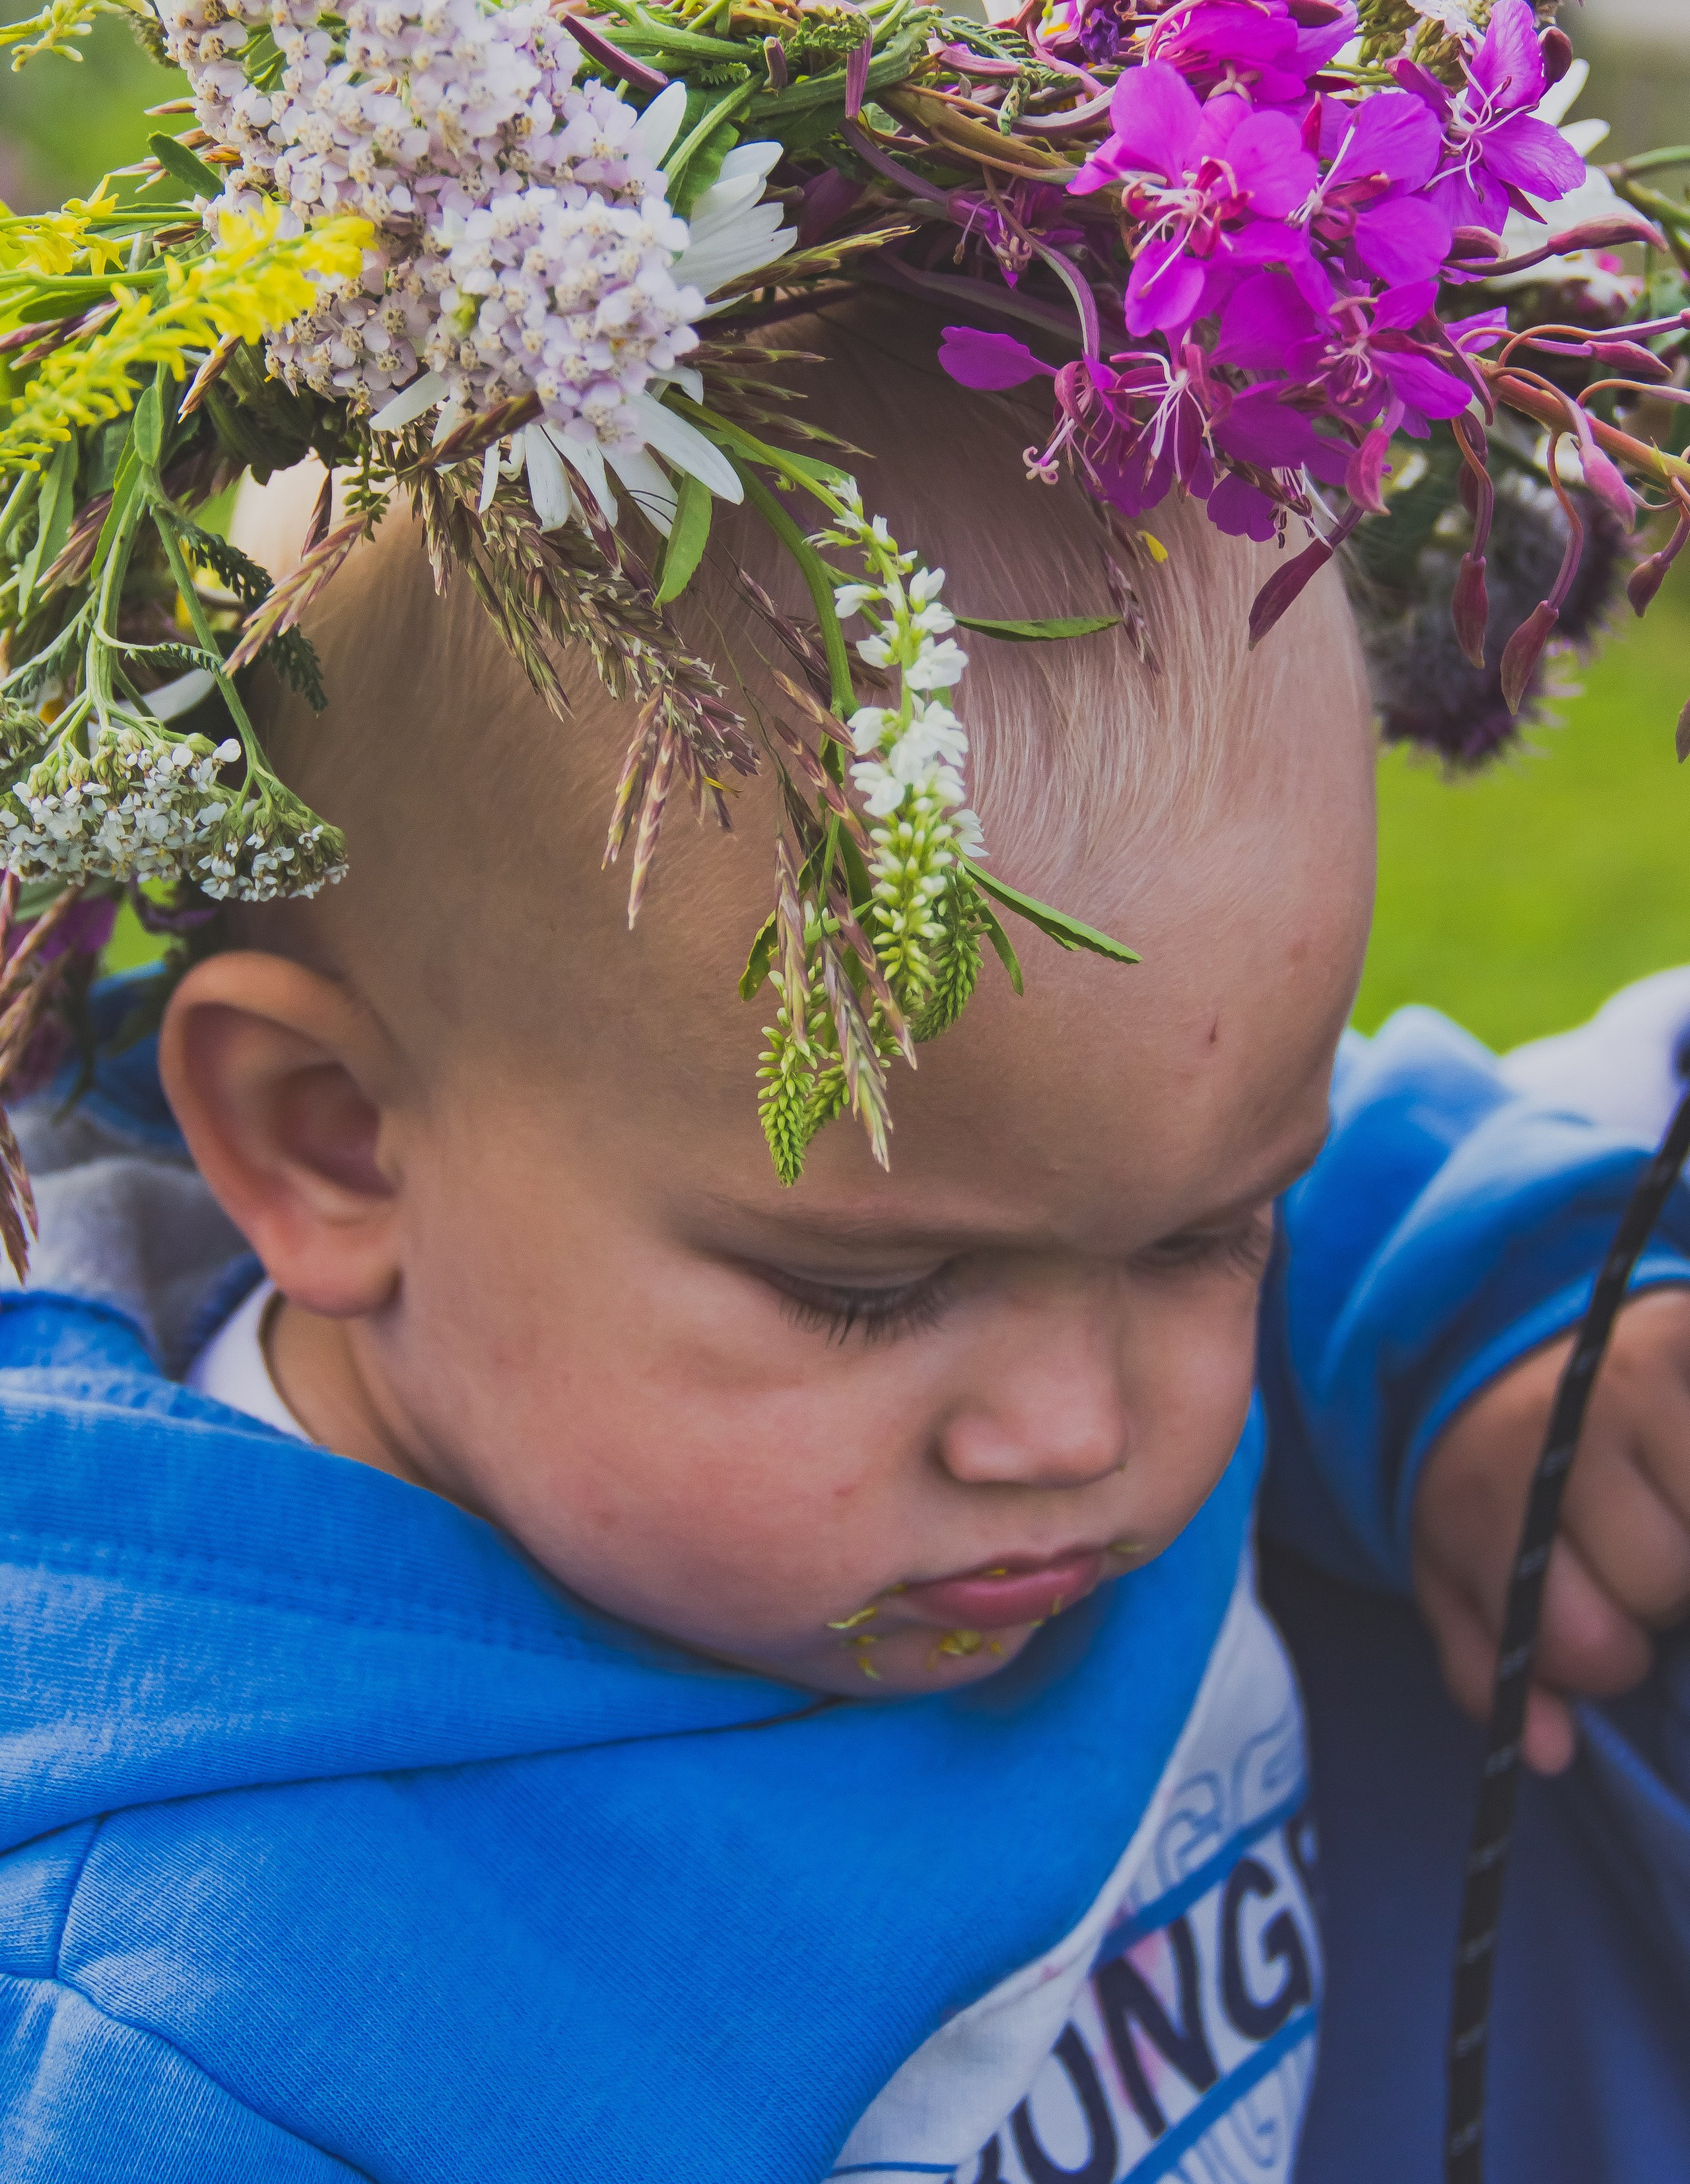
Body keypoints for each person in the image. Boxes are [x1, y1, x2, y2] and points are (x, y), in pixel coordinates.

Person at [6, 297, 1690, 2184]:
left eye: (1211, 1237)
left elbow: (1311, 1145)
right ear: (335, 1146)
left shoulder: (1011, 1238)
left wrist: (1484, 1330)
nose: (1075, 1425)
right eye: (868, 1291)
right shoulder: (223, 2030)